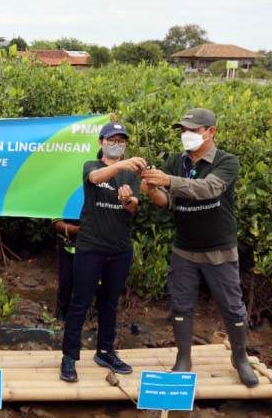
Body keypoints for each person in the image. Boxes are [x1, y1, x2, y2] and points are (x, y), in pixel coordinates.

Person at [141, 108, 258, 387]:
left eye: (192, 130)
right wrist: (153, 190)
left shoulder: (227, 161)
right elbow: (167, 203)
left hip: (219, 249)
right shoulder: (174, 161)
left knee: (232, 306)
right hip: (184, 249)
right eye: (183, 130)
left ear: (211, 132)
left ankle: (240, 359)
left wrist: (168, 181)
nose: (186, 135)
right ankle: (184, 358)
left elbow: (209, 189)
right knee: (181, 305)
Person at [60, 122, 146, 383]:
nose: (117, 144)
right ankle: (69, 358)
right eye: (112, 139)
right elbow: (96, 179)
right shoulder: (92, 166)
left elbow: (134, 206)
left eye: (122, 140)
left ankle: (105, 351)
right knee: (80, 302)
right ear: (101, 142)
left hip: (120, 249)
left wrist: (126, 200)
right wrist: (120, 164)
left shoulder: (132, 174)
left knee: (110, 303)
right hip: (90, 247)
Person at [52, 219, 79, 321]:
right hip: (66, 246)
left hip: (89, 248)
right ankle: (61, 315)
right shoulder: (61, 203)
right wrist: (81, 229)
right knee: (66, 281)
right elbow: (58, 224)